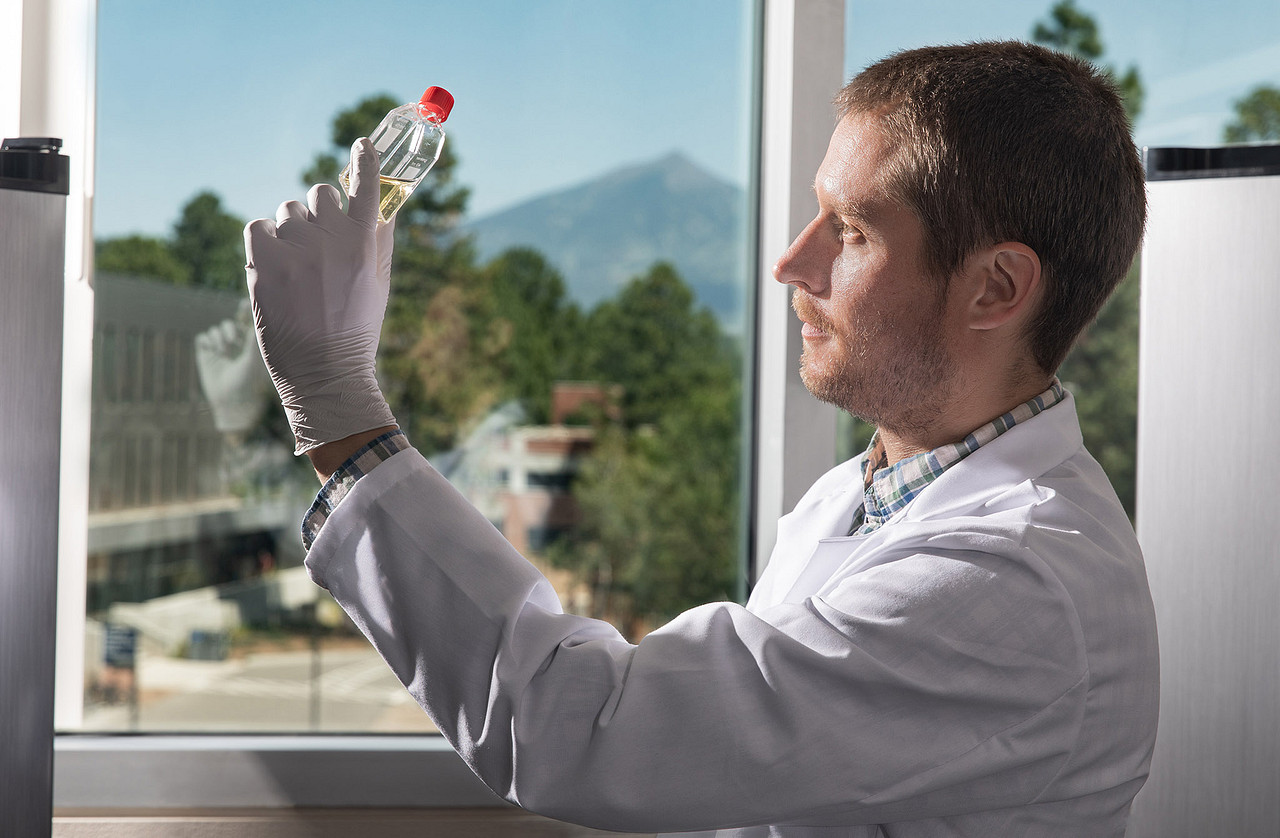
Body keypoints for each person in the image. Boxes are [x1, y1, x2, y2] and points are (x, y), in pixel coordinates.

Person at [244, 41, 1158, 838]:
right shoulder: (872, 492)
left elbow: (594, 732)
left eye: (850, 230)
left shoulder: (1012, 582)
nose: (791, 263)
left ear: (997, 289)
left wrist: (337, 410)